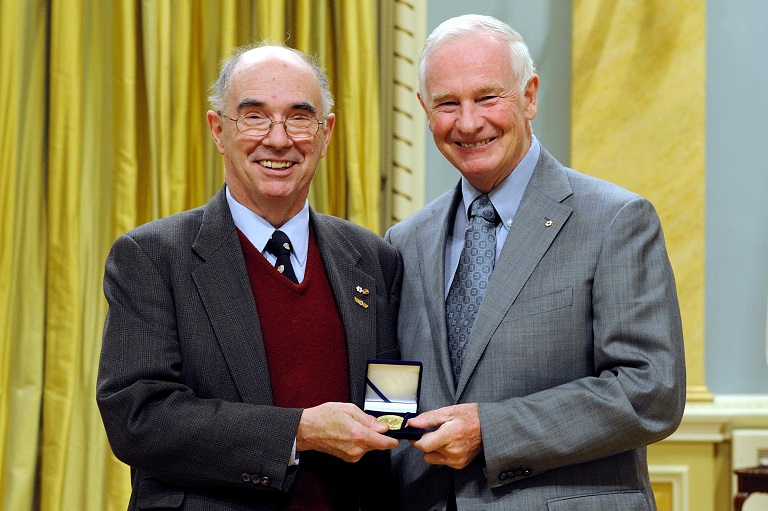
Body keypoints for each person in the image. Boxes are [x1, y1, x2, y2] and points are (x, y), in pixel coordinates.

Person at [385, 14, 686, 510]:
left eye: (487, 97)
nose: (468, 122)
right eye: (447, 104)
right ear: (424, 109)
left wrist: (493, 431)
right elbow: (398, 388)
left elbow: (651, 390)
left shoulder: (615, 221)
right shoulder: (405, 240)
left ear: (529, 96)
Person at [97, 42, 401, 511]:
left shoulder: (373, 258)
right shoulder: (152, 257)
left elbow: (390, 398)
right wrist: (297, 432)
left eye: (299, 118)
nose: (278, 139)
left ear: (326, 133)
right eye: (254, 116)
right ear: (218, 130)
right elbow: (138, 418)